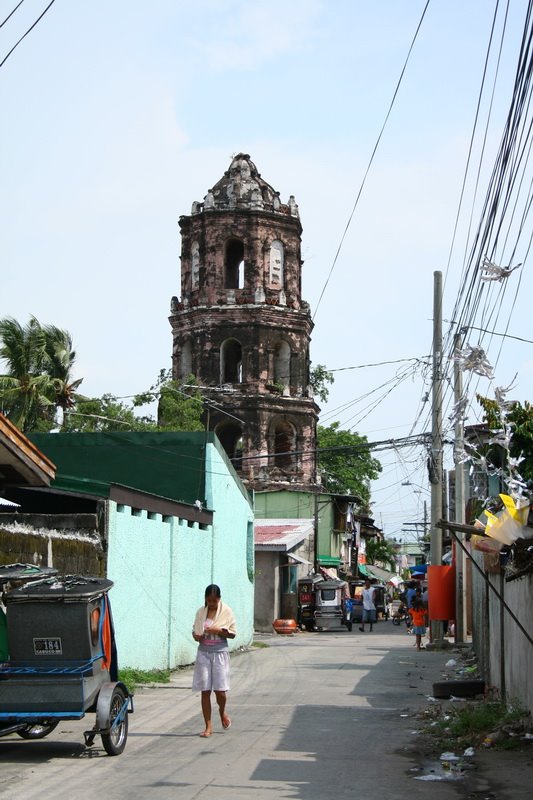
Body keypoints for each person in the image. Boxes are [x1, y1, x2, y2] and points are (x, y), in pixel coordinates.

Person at [192, 584, 236, 738]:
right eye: (209, 601)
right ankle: (208, 726)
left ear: (219, 599)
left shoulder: (227, 611)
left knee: (220, 691)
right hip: (204, 653)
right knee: (205, 690)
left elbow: (232, 634)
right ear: (205, 599)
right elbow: (195, 631)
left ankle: (222, 711)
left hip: (220, 653)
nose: (211, 603)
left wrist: (218, 631)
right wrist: (197, 636)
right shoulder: (200, 612)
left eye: (214, 601)